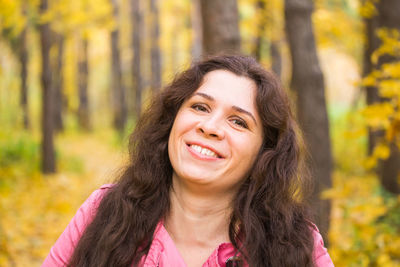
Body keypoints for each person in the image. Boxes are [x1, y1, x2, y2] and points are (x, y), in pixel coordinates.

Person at [43, 55, 334, 267]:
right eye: (199, 106)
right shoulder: (104, 211)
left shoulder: (295, 243)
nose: (210, 127)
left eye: (238, 121)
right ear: (173, 119)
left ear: (264, 152)